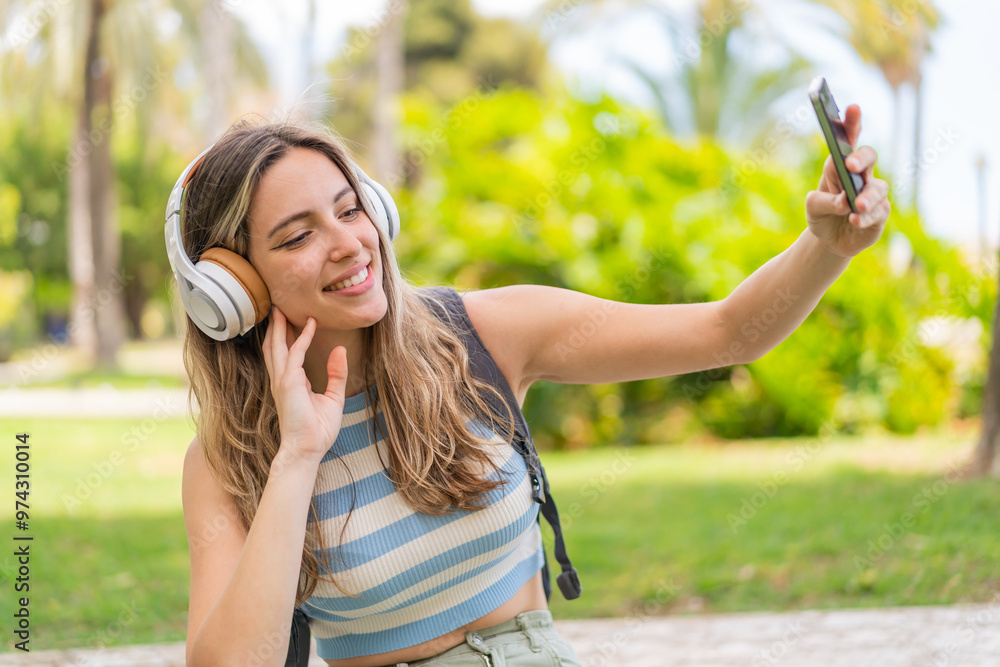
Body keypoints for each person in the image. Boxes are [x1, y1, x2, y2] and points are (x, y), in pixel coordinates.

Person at [177, 106, 889, 667]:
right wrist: (298, 454)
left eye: (350, 208)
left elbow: (728, 332)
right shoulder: (229, 460)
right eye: (297, 235)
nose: (348, 243)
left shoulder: (483, 335)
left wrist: (824, 247)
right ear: (232, 287)